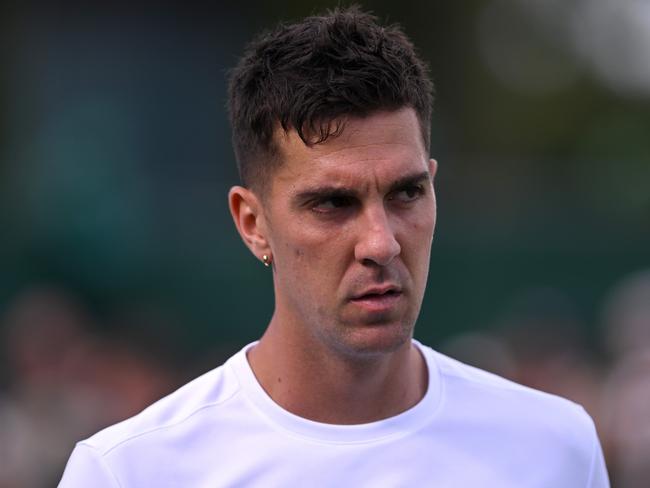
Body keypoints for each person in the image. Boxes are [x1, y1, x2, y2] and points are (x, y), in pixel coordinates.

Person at [59, 7, 610, 487]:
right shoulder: (130, 472)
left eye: (407, 193)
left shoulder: (555, 449)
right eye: (332, 203)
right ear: (252, 223)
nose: (381, 241)